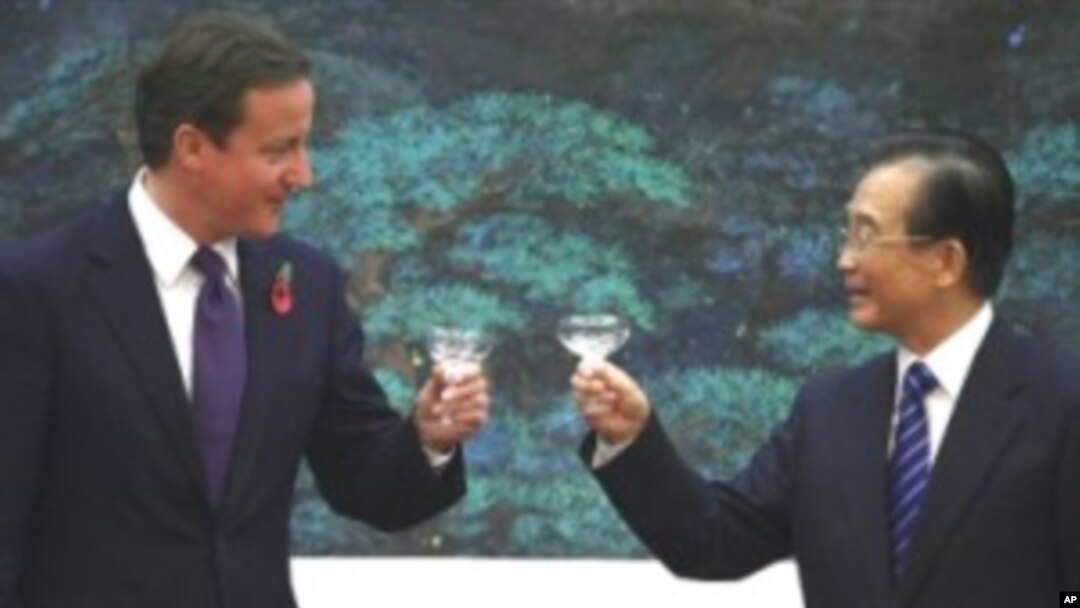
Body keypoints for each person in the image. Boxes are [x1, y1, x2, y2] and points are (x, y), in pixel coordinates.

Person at [0, 12, 490, 608]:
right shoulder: (34, 290)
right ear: (192, 147)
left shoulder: (307, 287)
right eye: (280, 150)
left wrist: (428, 438)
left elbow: (369, 485)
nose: (303, 175)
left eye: (304, 145)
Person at [572, 130, 1080, 608]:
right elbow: (713, 541)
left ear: (945, 261)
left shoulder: (1060, 406)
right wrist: (630, 438)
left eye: (867, 237)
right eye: (847, 234)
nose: (844, 260)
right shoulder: (829, 411)